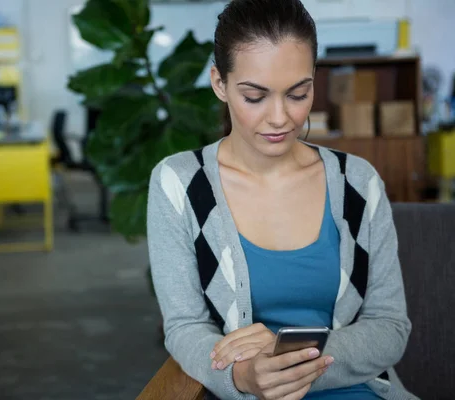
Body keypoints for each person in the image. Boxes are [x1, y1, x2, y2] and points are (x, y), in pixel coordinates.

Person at [146, 0, 417, 399]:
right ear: (219, 83)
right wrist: (244, 377)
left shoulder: (358, 183)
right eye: (255, 96)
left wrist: (283, 358)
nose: (280, 118)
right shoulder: (178, 185)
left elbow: (390, 327)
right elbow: (185, 327)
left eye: (298, 93)